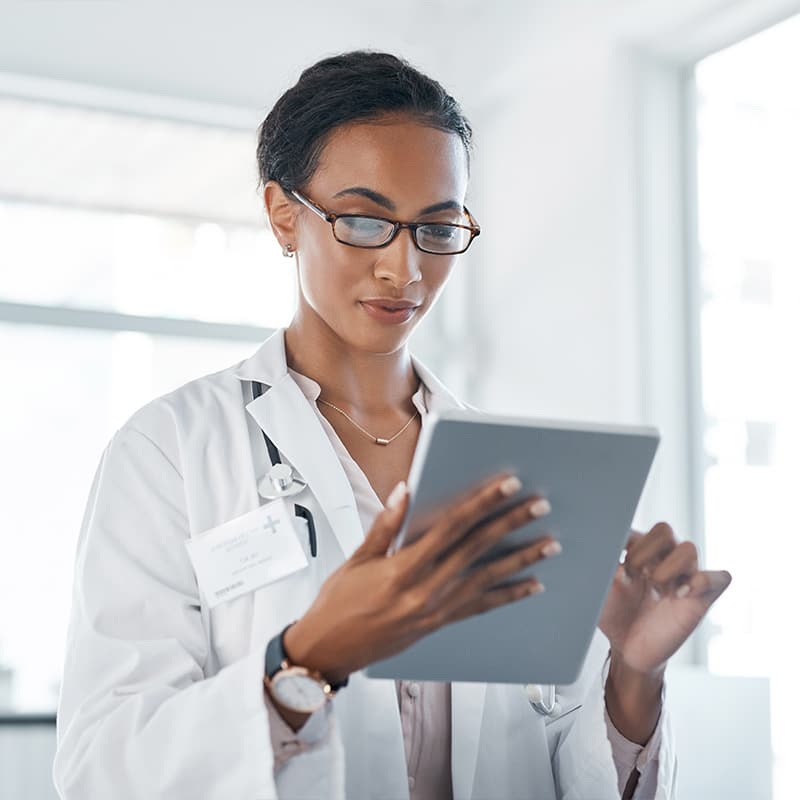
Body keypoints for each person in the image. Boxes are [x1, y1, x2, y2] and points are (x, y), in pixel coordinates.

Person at [53, 50, 731, 800]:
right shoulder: (170, 453)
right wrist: (305, 661)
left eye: (437, 229)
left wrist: (632, 676)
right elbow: (102, 767)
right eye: (366, 221)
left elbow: (549, 758)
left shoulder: (512, 470)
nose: (404, 270)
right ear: (285, 215)